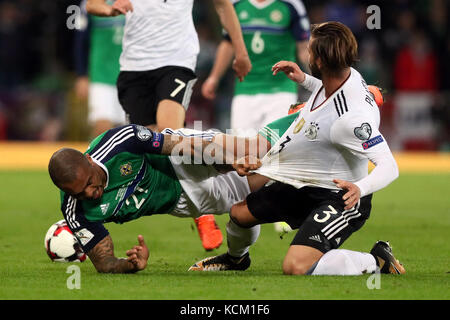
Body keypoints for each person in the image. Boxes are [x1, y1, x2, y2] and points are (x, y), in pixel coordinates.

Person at [189, 22, 405, 276]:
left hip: (341, 197)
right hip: (308, 183)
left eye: (310, 51)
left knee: (296, 266)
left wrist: (361, 188)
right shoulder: (347, 75)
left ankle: (375, 260)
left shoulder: (351, 121)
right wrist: (305, 80)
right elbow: (329, 94)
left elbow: (390, 166)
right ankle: (236, 260)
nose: (305, 54)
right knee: (239, 214)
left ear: (321, 61)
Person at [86, 0, 252, 250]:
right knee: (152, 151)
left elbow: (223, 5)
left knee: (170, 137)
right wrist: (109, 10)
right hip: (133, 68)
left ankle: (204, 213)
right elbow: (91, 4)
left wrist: (241, 52)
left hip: (176, 62)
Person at [48, 125, 267, 273]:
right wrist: (131, 264)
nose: (88, 193)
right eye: (78, 193)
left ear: (89, 160)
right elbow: (105, 262)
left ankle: (295, 127)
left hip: (176, 161)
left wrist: (231, 159)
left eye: (88, 182)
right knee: (249, 200)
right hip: (180, 200)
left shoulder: (119, 143)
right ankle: (237, 259)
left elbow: (183, 145)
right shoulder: (74, 211)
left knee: (252, 150)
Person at [201, 0, 310, 233]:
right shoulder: (237, 6)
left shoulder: (290, 5)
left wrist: (316, 80)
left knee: (282, 152)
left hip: (281, 91)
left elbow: (303, 46)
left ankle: (284, 208)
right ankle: (244, 210)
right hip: (245, 91)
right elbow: (228, 44)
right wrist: (214, 77)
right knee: (242, 156)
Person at [74, 0, 126, 138]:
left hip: (131, 75)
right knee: (102, 129)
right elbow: (80, 41)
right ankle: (98, 159)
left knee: (128, 130)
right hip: (101, 75)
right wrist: (81, 75)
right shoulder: (89, 4)